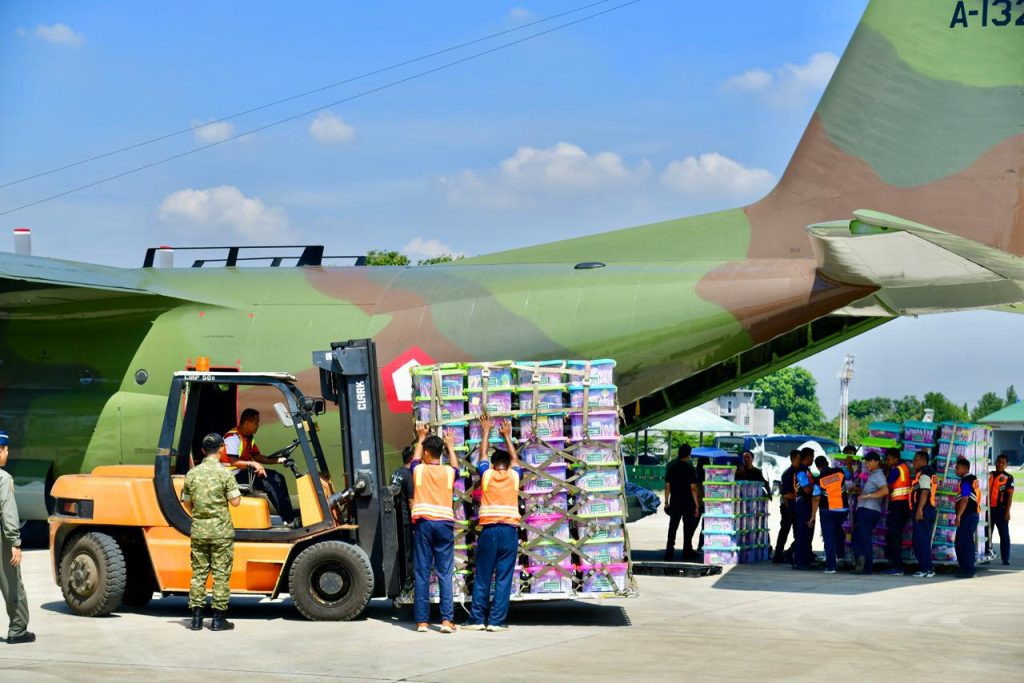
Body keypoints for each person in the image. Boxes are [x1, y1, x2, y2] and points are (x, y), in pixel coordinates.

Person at [465, 416, 522, 632]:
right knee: (504, 577)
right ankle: (496, 622)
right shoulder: (514, 477)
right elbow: (516, 461)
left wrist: (485, 430)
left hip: (488, 532)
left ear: (493, 464)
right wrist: (507, 436)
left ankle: (478, 619)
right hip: (509, 532)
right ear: (507, 465)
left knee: (483, 576)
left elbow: (481, 455)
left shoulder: (486, 476)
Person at [181, 433, 241, 631]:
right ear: (222, 448)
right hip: (221, 531)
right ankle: (218, 619)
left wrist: (201, 513)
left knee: (198, 573)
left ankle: (196, 619)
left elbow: (187, 502)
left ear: (203, 450)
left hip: (199, 530)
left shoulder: (192, 474)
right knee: (220, 574)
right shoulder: (225, 474)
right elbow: (236, 501)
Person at [410, 423, 460, 634]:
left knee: (422, 573)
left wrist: (421, 437)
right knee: (444, 573)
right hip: (444, 525)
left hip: (424, 524)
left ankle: (422, 622)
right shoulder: (449, 473)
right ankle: (447, 620)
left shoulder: (419, 470)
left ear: (427, 452)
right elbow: (456, 467)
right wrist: (451, 445)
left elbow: (414, 459)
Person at [222, 409, 297, 525]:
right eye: (256, 422)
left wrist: (278, 460)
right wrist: (253, 464)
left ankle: (289, 515)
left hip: (246, 471)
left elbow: (257, 457)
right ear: (247, 423)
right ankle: (289, 519)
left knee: (279, 477)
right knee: (269, 484)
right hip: (233, 475)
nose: (258, 425)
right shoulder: (233, 437)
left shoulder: (248, 437)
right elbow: (233, 462)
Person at [0, 431, 33, 644]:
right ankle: (18, 630)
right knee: (12, 582)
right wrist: (15, 542)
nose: (7, 453)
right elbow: (7, 512)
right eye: (5, 449)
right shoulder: (3, 479)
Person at [850, 451, 888, 575]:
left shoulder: (878, 475)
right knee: (858, 537)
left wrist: (868, 496)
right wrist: (858, 491)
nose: (867, 464)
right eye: (866, 461)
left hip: (868, 510)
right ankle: (861, 560)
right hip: (865, 509)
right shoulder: (873, 475)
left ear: (877, 462)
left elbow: (885, 491)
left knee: (863, 538)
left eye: (870, 461)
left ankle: (866, 566)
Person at [811, 455, 848, 574]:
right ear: (827, 463)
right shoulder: (840, 472)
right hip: (842, 510)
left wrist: (812, 516)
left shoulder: (818, 479)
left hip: (828, 511)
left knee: (829, 538)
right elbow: (849, 475)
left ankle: (831, 566)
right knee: (839, 532)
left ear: (817, 467)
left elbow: (816, 498)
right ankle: (841, 556)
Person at [664, 444, 700, 561]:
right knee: (687, 527)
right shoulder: (690, 467)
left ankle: (669, 551)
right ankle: (687, 551)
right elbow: (693, 488)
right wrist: (696, 505)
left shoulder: (671, 465)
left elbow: (667, 485)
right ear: (689, 453)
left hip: (675, 501)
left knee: (673, 527)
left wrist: (666, 501)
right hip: (688, 502)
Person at [880, 448, 912, 576]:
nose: (887, 462)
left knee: (894, 537)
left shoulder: (895, 470)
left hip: (898, 506)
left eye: (888, 459)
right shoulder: (904, 467)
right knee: (895, 536)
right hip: (904, 506)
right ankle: (897, 565)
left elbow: (887, 487)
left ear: (895, 458)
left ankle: (897, 567)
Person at [909, 450, 937, 579]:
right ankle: (925, 567)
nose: (913, 463)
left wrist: (920, 509)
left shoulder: (925, 473)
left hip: (924, 510)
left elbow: (925, 491)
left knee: (922, 540)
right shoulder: (925, 473)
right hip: (925, 509)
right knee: (919, 539)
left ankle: (926, 569)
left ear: (922, 460)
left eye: (915, 460)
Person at [391, 445, 416, 581]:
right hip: (407, 520)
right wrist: (416, 520)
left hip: (397, 518)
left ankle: (402, 578)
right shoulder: (409, 476)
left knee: (401, 551)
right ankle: (408, 580)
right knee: (409, 552)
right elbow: (411, 501)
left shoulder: (396, 473)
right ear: (412, 458)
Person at [954, 457, 981, 579]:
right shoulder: (972, 479)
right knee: (960, 542)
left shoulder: (966, 481)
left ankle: (969, 570)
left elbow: (965, 500)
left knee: (965, 543)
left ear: (965, 469)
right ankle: (964, 568)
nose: (956, 470)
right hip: (971, 515)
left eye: (957, 468)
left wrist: (958, 516)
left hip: (967, 516)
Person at [772, 450, 801, 564]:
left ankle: (789, 553)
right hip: (787, 506)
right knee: (785, 530)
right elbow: (786, 495)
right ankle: (778, 554)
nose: (800, 462)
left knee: (796, 531)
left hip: (793, 506)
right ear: (793, 459)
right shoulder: (788, 473)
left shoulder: (799, 472)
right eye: (799, 459)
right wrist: (789, 509)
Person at [792, 448, 817, 570]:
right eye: (812, 457)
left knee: (808, 533)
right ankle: (799, 561)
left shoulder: (807, 470)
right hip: (803, 505)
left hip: (807, 504)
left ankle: (805, 559)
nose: (813, 459)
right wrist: (815, 488)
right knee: (803, 533)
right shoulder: (801, 472)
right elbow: (806, 489)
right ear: (806, 457)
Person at [988, 454, 1014, 566]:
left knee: (1003, 534)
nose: (1000, 464)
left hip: (1001, 510)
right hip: (989, 510)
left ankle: (1005, 558)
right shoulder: (989, 475)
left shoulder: (1008, 478)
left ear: (1006, 465)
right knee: (987, 534)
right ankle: (986, 554)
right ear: (995, 462)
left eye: (1003, 463)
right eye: (998, 462)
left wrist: (1007, 512)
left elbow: (1010, 496)